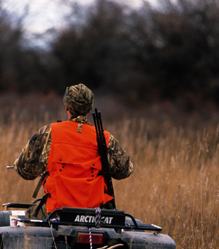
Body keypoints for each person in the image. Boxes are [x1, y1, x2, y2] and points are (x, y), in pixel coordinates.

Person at [14, 84, 133, 216]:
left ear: (66, 107)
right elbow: (125, 170)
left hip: (55, 213)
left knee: (24, 223)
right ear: (89, 108)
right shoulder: (105, 138)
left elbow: (24, 170)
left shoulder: (49, 133)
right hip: (95, 215)